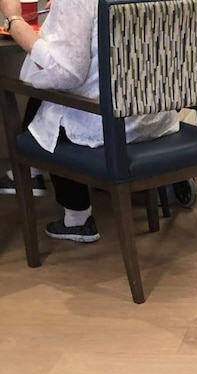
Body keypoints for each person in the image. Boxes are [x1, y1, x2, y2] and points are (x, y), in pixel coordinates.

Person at [0, 0, 179, 242]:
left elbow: (65, 74)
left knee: (51, 100)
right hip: (155, 116)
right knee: (51, 98)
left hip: (110, 125)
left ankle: (75, 216)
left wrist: (14, 20)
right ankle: (34, 174)